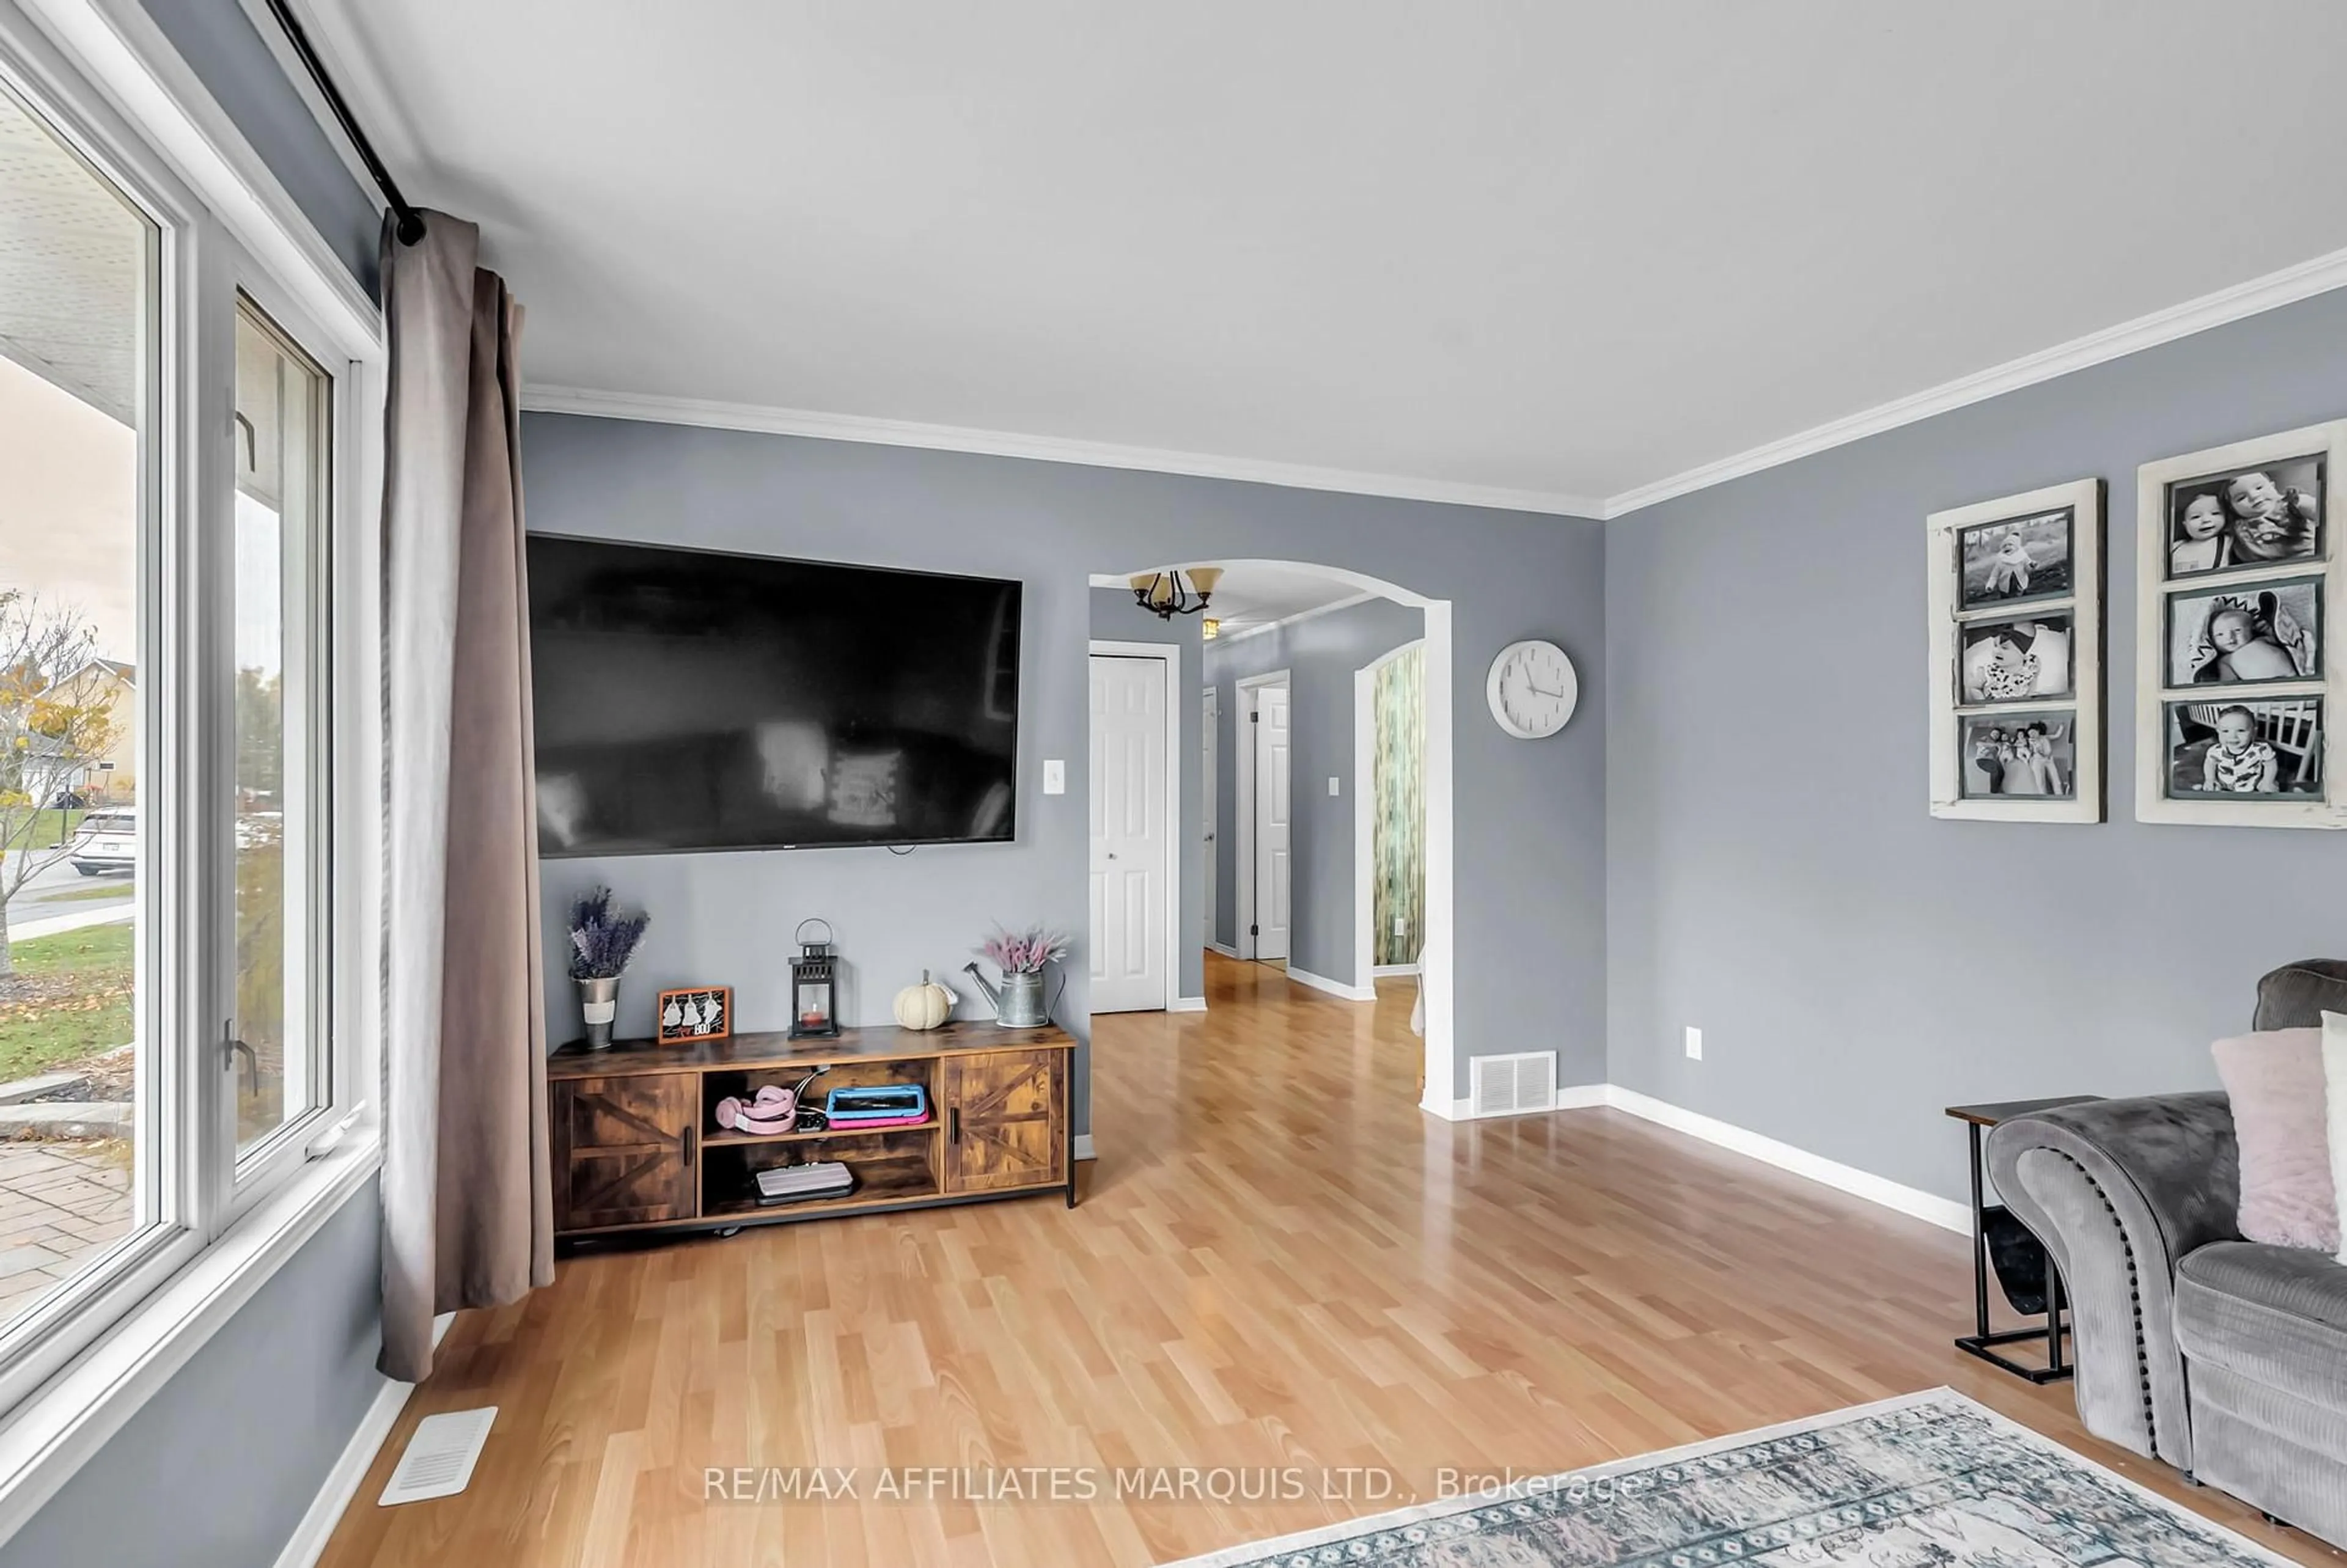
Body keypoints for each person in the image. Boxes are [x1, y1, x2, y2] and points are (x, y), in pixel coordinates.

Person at [2225, 470, 2320, 565]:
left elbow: (2322, 511)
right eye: (2241, 498)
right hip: (2267, 570)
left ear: (2273, 486)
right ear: (2232, 507)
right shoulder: (2236, 526)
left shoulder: (2291, 504)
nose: (2254, 496)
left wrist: (2303, 503)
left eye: (2259, 488)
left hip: (2308, 558)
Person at [2203, 603, 2302, 683]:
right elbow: (2229, 682)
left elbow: (2283, 641)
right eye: (2220, 634)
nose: (2230, 637)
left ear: (2251, 630)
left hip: (2293, 677)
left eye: (2237, 630)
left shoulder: (2261, 640)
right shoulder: (2226, 660)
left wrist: (2268, 630)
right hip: (2264, 688)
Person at [2202, 705, 2279, 793]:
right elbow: (2210, 764)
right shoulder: (2215, 751)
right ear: (2218, 731)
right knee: (2211, 790)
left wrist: (2268, 781)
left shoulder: (2261, 749)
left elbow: (2270, 764)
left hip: (2254, 781)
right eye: (2225, 731)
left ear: (2253, 732)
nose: (2233, 736)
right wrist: (2210, 779)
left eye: (2241, 731)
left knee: (2271, 789)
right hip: (2224, 783)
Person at [2170, 492, 2230, 575]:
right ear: (2185, 524)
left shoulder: (2229, 541)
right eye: (2196, 517)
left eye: (2215, 513)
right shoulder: (2175, 547)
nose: (2206, 520)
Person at [1986, 529, 2033, 596]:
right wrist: (1990, 586)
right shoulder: (2001, 561)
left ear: (2016, 547)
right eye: (2005, 546)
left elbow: (2028, 570)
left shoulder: (2023, 556)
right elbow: (1994, 576)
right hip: (2005, 590)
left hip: (2021, 586)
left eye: (2010, 545)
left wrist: (2032, 566)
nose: (2007, 547)